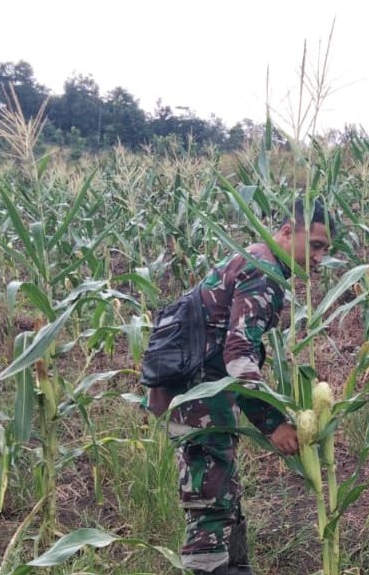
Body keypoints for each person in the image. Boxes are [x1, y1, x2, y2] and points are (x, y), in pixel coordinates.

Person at [145, 197, 336, 575]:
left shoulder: (255, 260)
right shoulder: (263, 272)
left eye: (325, 250)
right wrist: (273, 423)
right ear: (287, 232)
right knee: (211, 507)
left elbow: (230, 354)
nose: (319, 258)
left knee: (224, 497)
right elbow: (238, 357)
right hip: (201, 404)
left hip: (202, 397)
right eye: (315, 245)